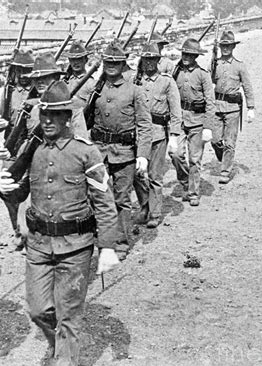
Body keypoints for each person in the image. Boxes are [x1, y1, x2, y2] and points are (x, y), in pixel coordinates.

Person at [0, 81, 120, 366]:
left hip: (75, 247)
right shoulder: (33, 150)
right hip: (38, 244)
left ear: (68, 117)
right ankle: (60, 344)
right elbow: (25, 189)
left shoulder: (85, 152)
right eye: (44, 115)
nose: (48, 121)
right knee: (38, 310)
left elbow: (104, 200)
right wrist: (9, 189)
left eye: (55, 116)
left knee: (68, 313)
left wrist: (106, 246)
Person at [87, 40, 152, 259]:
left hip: (124, 153)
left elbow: (144, 125)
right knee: (97, 196)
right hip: (98, 151)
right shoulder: (95, 89)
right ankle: (102, 239)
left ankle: (121, 242)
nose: (111, 66)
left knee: (122, 199)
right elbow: (84, 119)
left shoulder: (135, 91)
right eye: (108, 62)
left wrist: (143, 155)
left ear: (123, 64)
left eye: (116, 62)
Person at [132, 43, 182, 228]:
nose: (149, 63)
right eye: (146, 59)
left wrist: (175, 136)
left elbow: (176, 111)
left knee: (154, 176)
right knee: (134, 175)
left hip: (158, 134)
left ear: (158, 60)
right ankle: (145, 204)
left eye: (153, 59)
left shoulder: (167, 81)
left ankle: (154, 212)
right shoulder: (134, 80)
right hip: (136, 134)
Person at [0, 49, 34, 249]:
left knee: (27, 189)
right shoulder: (9, 90)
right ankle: (17, 229)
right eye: (21, 71)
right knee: (7, 191)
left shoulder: (38, 91)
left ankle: (27, 233)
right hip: (11, 147)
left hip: (30, 147)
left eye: (28, 71)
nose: (25, 76)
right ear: (15, 71)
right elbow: (2, 117)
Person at [171, 38, 215, 207]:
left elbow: (210, 102)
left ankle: (193, 192)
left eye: (190, 54)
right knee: (175, 154)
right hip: (179, 120)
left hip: (197, 121)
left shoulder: (203, 75)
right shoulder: (176, 72)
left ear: (196, 56)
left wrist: (208, 127)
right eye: (184, 53)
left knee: (195, 159)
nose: (186, 57)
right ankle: (184, 181)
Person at [211, 31, 255, 184]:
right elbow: (207, 82)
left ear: (233, 47)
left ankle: (225, 171)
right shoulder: (215, 63)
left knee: (230, 142)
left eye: (228, 46)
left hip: (232, 109)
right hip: (216, 107)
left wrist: (251, 107)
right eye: (223, 46)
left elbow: (248, 87)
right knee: (215, 140)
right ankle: (225, 158)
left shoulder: (239, 66)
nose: (225, 49)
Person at [62, 40, 95, 105]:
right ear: (69, 61)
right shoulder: (64, 82)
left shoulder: (91, 84)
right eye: (73, 59)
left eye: (79, 59)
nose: (76, 62)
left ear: (86, 60)